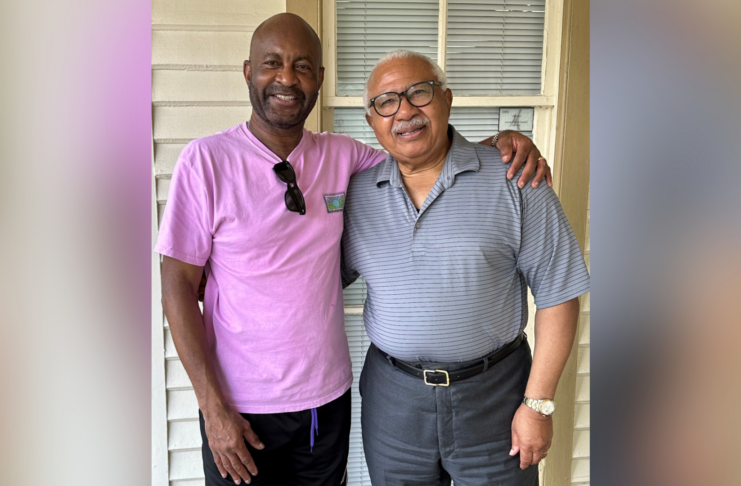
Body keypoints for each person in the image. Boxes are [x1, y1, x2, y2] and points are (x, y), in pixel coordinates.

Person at [156, 14, 550, 486]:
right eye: (271, 64)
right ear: (248, 72)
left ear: (319, 79)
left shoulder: (345, 157)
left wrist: (496, 149)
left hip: (325, 398)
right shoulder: (205, 162)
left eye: (302, 66)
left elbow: (419, 155)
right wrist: (211, 406)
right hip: (238, 406)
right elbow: (177, 285)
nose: (286, 78)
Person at [340, 50, 590, 486]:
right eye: (386, 102)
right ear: (372, 122)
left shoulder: (516, 179)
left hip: (496, 398)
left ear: (447, 100)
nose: (405, 111)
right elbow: (307, 273)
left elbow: (559, 293)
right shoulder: (356, 196)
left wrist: (538, 404)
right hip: (393, 401)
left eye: (420, 92)